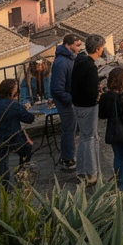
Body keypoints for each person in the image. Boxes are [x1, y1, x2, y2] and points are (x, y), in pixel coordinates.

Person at [0, 78, 35, 190]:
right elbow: (29, 119)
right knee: (27, 149)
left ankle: (5, 185)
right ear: (11, 91)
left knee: (3, 159)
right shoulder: (13, 105)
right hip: (14, 138)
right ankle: (21, 173)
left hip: (0, 138)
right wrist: (25, 109)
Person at [71, 34, 104, 185]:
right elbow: (92, 93)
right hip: (87, 107)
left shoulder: (79, 61)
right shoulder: (91, 67)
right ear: (97, 49)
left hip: (77, 104)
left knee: (84, 137)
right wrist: (99, 95)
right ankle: (91, 173)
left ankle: (81, 170)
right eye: (102, 47)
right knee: (90, 138)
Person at [49, 34, 83, 172]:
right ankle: (68, 159)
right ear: (69, 46)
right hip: (66, 102)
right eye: (77, 45)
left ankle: (69, 156)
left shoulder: (67, 59)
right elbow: (57, 88)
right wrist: (70, 100)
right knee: (69, 129)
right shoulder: (62, 63)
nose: (79, 48)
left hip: (68, 100)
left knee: (71, 129)